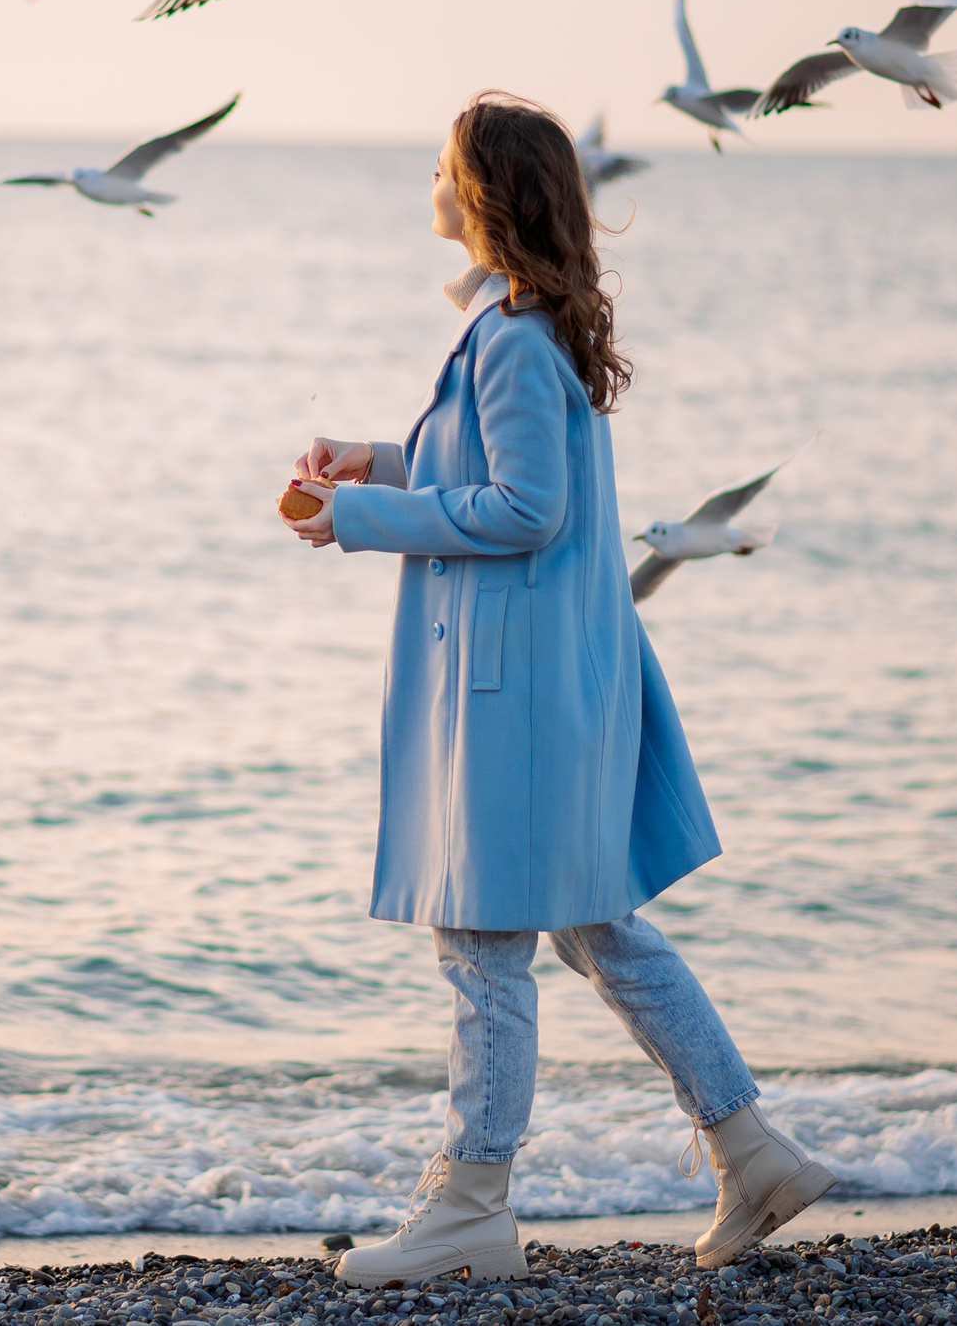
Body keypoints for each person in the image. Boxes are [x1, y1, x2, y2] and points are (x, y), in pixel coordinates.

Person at [281, 93, 833, 1287]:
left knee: (482, 943)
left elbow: (530, 509)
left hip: (516, 697)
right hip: (545, 685)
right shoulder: (514, 333)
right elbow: (484, 466)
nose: (426, 180)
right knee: (595, 926)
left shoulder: (518, 340)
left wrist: (365, 517)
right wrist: (370, 459)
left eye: (440, 166)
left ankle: (472, 1203)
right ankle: (750, 1148)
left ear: (480, 196)